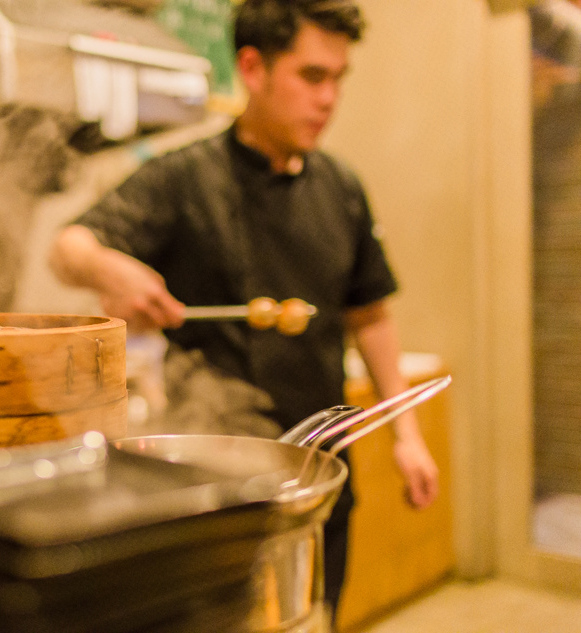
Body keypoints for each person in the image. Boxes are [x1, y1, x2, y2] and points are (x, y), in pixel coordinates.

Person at [48, 0, 440, 624]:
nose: (329, 98)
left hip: (322, 473)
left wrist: (407, 437)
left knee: (315, 617)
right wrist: (107, 268)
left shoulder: (341, 185)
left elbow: (369, 314)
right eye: (313, 76)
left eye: (339, 78)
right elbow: (69, 248)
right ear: (253, 68)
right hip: (212, 487)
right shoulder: (185, 178)